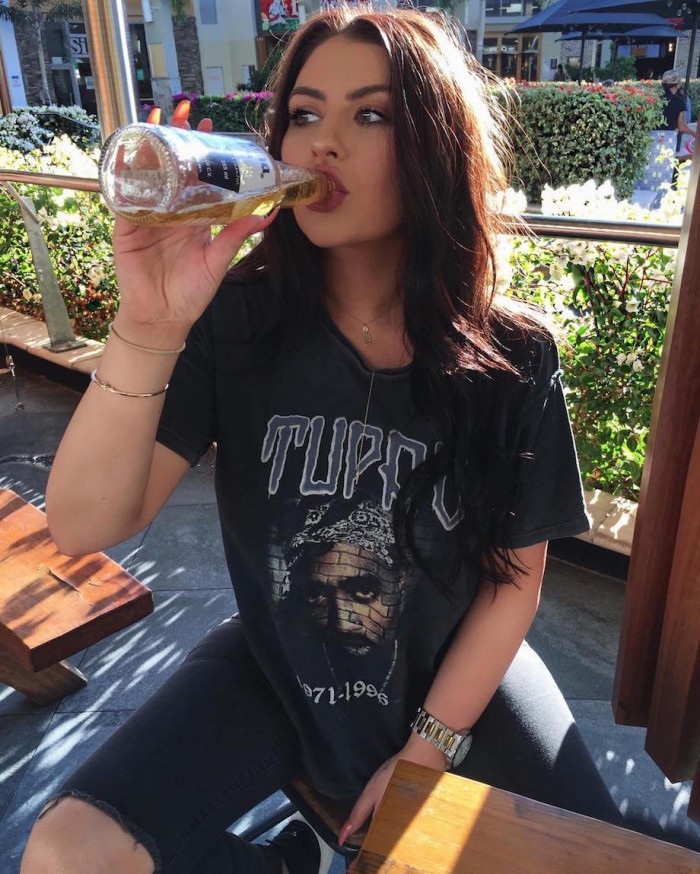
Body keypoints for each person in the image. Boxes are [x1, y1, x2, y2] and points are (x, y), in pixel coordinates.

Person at [21, 7, 621, 874]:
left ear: (435, 149)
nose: (321, 143)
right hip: (277, 661)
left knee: (609, 860)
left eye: (369, 115)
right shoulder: (236, 317)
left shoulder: (512, 356)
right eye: (304, 114)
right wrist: (148, 325)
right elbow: (82, 523)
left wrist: (428, 750)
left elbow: (512, 585)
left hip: (456, 670)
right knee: (66, 852)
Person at [660, 69, 696, 137]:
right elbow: (682, 126)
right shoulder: (680, 101)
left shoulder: (655, 98)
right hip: (669, 137)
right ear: (677, 85)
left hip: (651, 136)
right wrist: (693, 133)